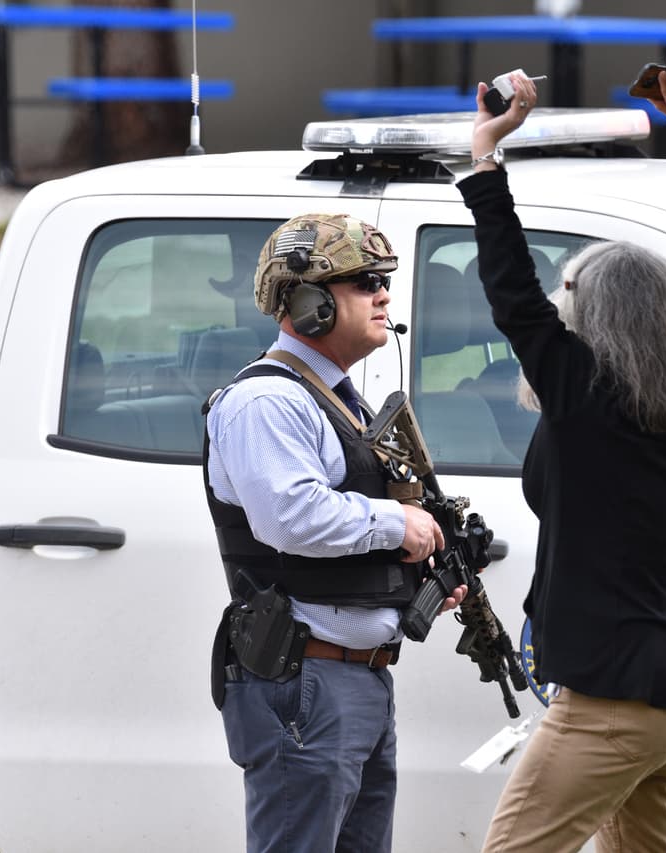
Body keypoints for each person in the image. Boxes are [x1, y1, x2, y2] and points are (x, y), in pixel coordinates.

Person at [456, 59, 666, 853]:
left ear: (593, 322)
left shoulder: (584, 401)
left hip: (612, 702)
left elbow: (510, 289)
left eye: (570, 299)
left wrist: (487, 154)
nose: (557, 309)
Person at [203, 213, 465, 853]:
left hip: (355, 679)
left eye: (382, 281)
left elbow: (348, 524)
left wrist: (420, 573)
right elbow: (288, 516)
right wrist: (396, 523)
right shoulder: (268, 402)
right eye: (363, 281)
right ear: (309, 303)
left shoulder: (339, 398)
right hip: (307, 681)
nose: (383, 294)